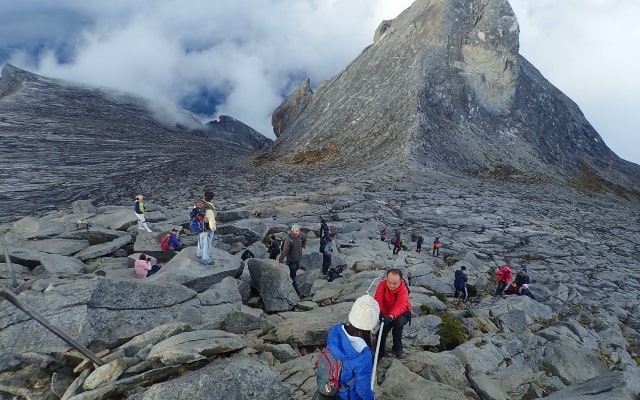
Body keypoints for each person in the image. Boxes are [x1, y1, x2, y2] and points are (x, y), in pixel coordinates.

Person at [323, 294, 378, 400]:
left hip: (331, 386)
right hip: (347, 395)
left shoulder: (335, 331)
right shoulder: (363, 354)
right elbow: (362, 389)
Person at [374, 269, 412, 359]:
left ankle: (397, 349)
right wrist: (379, 312)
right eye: (389, 282)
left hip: (402, 313)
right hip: (386, 313)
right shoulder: (382, 285)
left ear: (400, 281)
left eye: (395, 283)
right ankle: (379, 353)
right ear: (387, 279)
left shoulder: (403, 289)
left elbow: (401, 305)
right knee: (381, 332)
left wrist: (391, 316)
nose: (391, 285)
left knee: (398, 323)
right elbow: (378, 298)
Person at [277, 224, 307, 295]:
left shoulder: (301, 235)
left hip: (298, 259)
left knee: (295, 272)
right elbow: (284, 251)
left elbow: (305, 239)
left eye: (298, 231)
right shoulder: (289, 239)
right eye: (296, 231)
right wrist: (280, 262)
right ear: (292, 231)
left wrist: (303, 246)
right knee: (293, 277)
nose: (297, 233)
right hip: (291, 261)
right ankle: (296, 292)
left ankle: (293, 283)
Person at [196, 190, 217, 265]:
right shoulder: (209, 210)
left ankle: (199, 253)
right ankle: (206, 259)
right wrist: (213, 229)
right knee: (207, 244)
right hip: (207, 228)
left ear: (204, 197)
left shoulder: (198, 205)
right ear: (212, 199)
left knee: (200, 241)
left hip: (199, 227)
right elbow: (211, 222)